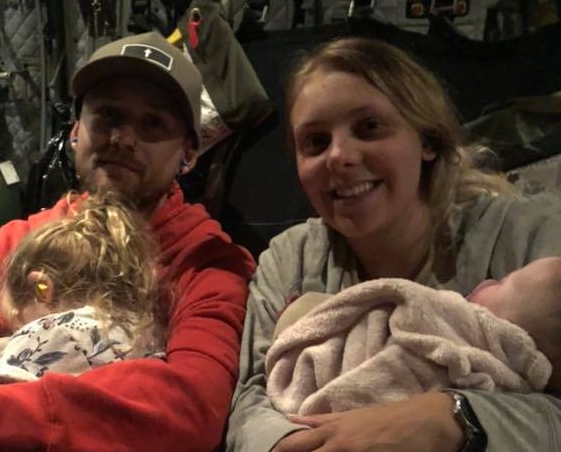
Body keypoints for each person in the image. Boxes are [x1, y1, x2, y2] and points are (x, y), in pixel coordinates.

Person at [0, 31, 256, 452]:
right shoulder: (22, 238)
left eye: (153, 123)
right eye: (108, 116)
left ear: (189, 153)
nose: (123, 138)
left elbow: (193, 406)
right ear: (77, 130)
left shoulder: (209, 263)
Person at [225, 36, 561, 452]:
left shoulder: (533, 236)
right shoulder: (289, 259)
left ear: (428, 142)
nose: (339, 156)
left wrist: (456, 417)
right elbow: (251, 401)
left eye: (369, 128)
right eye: (315, 142)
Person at [266, 256, 561, 416]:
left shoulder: (450, 333)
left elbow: (366, 389)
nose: (488, 280)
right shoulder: (510, 386)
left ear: (513, 335)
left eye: (502, 283)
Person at [0, 192, 166, 388]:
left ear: (42, 289)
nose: (18, 330)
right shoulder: (146, 332)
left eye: (19, 320)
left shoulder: (48, 334)